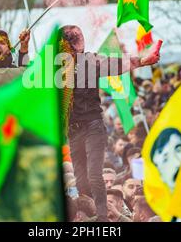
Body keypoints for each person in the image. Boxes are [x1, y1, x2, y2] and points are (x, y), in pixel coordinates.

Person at [61, 25, 161, 222]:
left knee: (93, 174)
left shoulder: (90, 60)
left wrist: (141, 61)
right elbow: (28, 76)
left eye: (79, 36)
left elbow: (114, 64)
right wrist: (22, 50)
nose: (77, 40)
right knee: (80, 176)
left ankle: (102, 218)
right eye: (71, 37)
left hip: (93, 125)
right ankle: (87, 211)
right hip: (73, 130)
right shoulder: (54, 66)